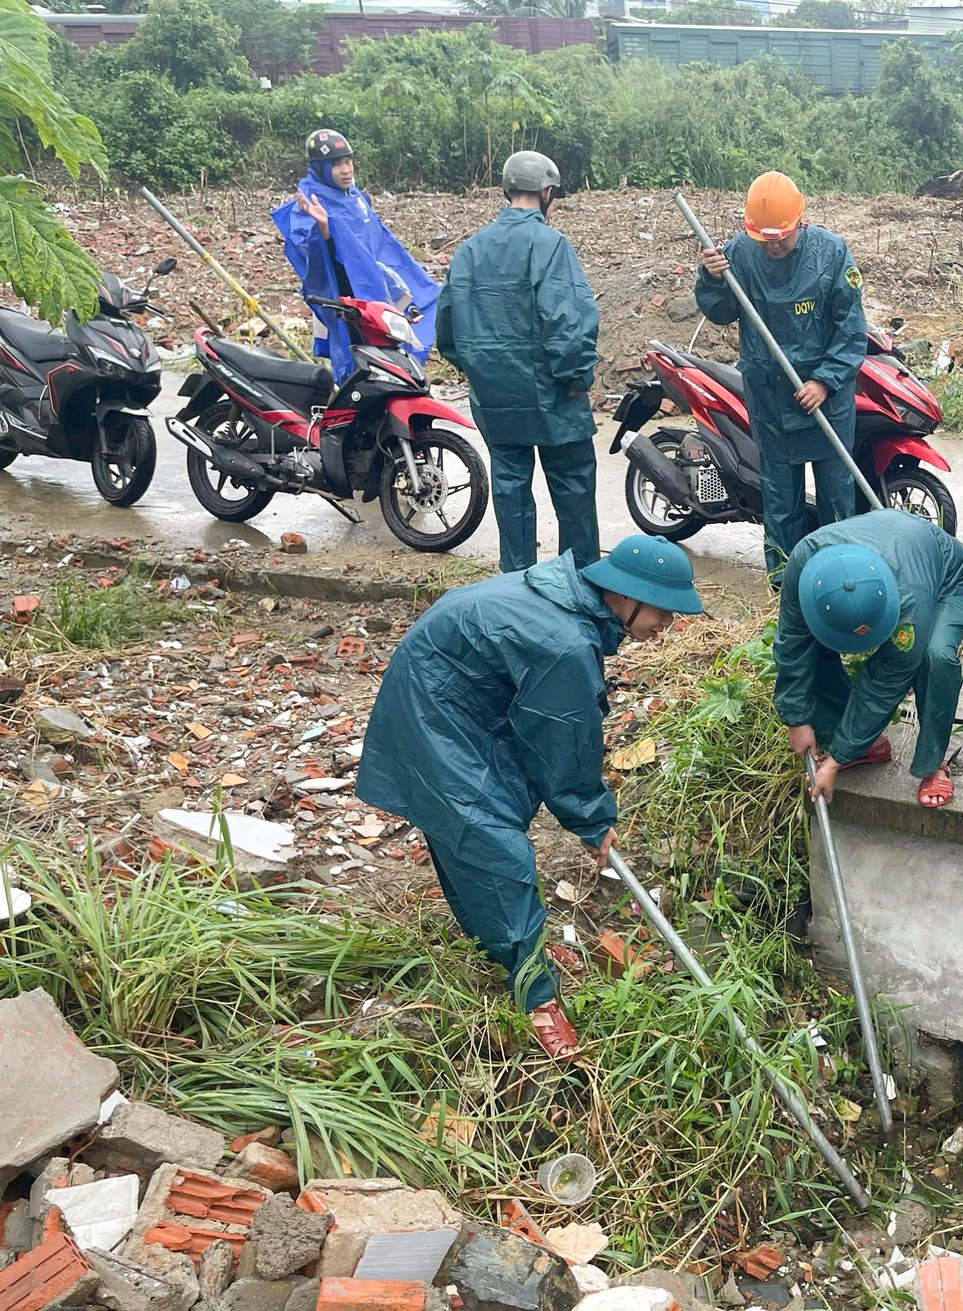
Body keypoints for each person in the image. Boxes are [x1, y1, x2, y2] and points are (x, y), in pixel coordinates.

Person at [355, 535, 705, 1059]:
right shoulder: (563, 644)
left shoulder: (570, 600)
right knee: (494, 844)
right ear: (628, 595)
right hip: (435, 708)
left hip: (464, 697)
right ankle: (535, 996)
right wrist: (591, 817)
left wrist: (580, 809)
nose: (666, 628)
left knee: (480, 821)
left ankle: (495, 938)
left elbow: (553, 732)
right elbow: (563, 741)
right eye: (665, 613)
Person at [436, 150, 601, 575]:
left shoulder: (469, 251)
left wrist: (479, 370)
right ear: (547, 193)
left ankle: (517, 587)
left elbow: (448, 332)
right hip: (554, 397)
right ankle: (579, 588)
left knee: (511, 494)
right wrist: (577, 377)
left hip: (496, 398)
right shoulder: (549, 244)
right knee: (574, 492)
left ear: (505, 191)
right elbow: (567, 321)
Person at [696, 172, 868, 580]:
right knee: (780, 501)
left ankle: (841, 583)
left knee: (836, 499)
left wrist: (825, 380)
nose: (773, 244)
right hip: (770, 398)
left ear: (800, 222)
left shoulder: (831, 254)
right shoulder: (737, 254)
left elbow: (850, 328)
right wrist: (712, 278)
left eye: (781, 237)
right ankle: (785, 589)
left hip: (827, 401)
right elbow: (720, 312)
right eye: (764, 238)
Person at [775, 509, 963, 810]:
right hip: (889, 546)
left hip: (947, 577)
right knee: (810, 643)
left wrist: (835, 762)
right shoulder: (805, 562)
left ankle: (932, 763)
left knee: (935, 658)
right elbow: (792, 641)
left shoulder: (910, 604)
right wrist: (796, 718)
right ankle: (864, 745)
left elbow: (882, 686)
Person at [272, 129, 439, 383]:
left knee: (407, 326)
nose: (346, 170)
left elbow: (378, 243)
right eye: (336, 164)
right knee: (356, 360)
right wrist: (325, 229)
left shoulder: (356, 198)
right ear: (321, 168)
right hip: (342, 294)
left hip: (372, 285)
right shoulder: (310, 201)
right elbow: (311, 254)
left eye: (348, 162)